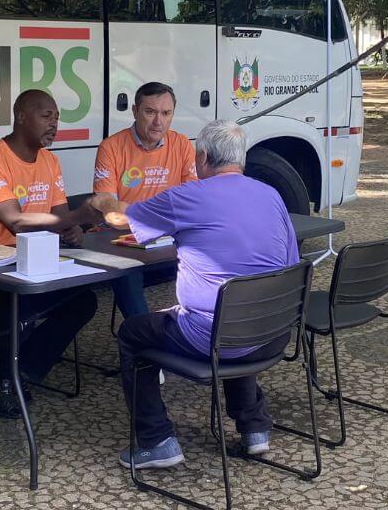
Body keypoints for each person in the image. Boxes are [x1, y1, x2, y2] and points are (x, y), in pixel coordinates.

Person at [109, 120, 300, 469]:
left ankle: (156, 441)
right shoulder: (272, 195)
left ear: (203, 157)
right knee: (242, 309)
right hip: (273, 331)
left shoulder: (188, 196)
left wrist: (102, 203)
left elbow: (124, 219)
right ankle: (254, 428)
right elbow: (291, 263)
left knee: (132, 333)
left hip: (215, 337)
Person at [0, 89, 105, 417]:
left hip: (29, 264)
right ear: (21, 116)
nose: (54, 124)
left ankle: (21, 372)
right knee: (16, 304)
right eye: (46, 116)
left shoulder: (50, 161)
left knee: (83, 301)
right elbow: (16, 222)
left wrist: (74, 228)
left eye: (57, 118)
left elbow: (59, 218)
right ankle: (5, 383)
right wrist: (76, 216)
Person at [93, 82, 197, 319]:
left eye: (166, 113)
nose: (158, 121)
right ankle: (144, 341)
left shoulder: (181, 144)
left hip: (169, 238)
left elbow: (191, 200)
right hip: (123, 240)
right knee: (125, 272)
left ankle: (202, 331)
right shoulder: (111, 147)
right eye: (150, 112)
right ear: (134, 111)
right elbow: (107, 205)